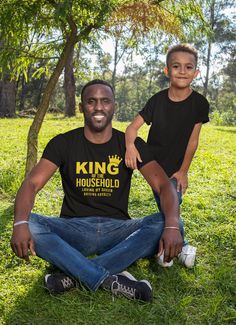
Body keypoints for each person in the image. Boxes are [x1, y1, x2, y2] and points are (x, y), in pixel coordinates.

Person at [11, 79, 184, 303]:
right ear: (82, 107)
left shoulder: (130, 144)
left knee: (172, 222)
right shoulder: (63, 143)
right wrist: (19, 224)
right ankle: (108, 279)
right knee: (29, 223)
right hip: (74, 230)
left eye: (105, 101)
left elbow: (163, 186)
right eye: (91, 101)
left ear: (114, 106)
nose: (99, 107)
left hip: (119, 231)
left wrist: (171, 225)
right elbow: (32, 184)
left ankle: (74, 276)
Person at [125, 44, 209, 267]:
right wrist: (131, 147)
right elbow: (132, 129)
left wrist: (183, 171)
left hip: (175, 168)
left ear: (196, 72)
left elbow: (193, 141)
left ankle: (172, 248)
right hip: (153, 165)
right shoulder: (157, 100)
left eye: (188, 67)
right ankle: (178, 247)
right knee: (167, 208)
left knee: (170, 205)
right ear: (166, 71)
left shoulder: (199, 103)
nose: (182, 71)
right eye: (176, 66)